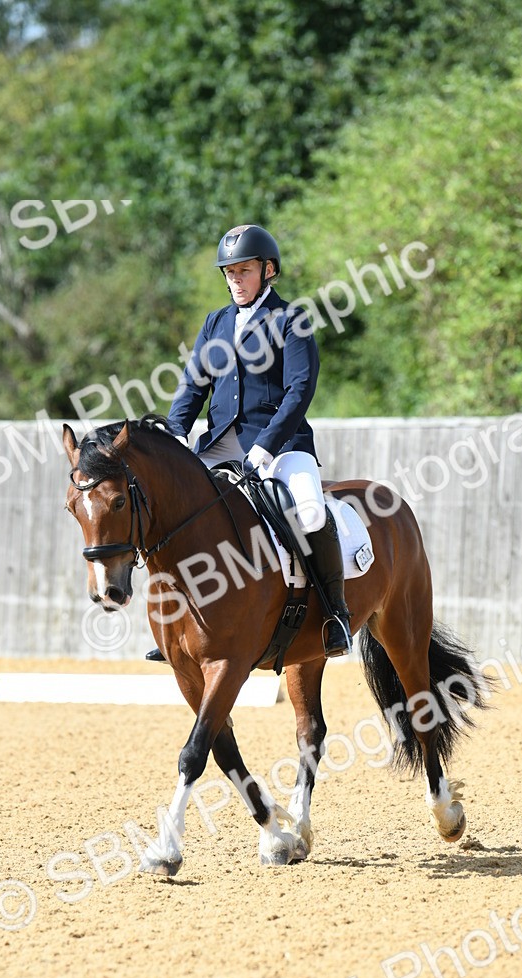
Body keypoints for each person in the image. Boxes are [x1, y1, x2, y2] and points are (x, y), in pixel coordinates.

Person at [147, 222, 352, 661]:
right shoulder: (216, 322)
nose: (235, 280)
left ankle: (336, 614)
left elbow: (300, 389)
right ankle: (175, 619)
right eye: (229, 272)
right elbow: (193, 384)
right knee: (173, 509)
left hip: (282, 443)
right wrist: (175, 431)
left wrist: (266, 448)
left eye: (243, 271)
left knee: (312, 514)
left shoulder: (290, 319)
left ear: (267, 269)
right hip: (220, 442)